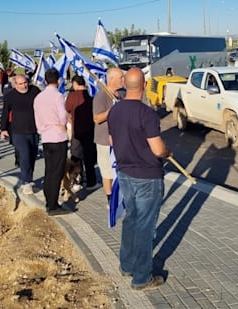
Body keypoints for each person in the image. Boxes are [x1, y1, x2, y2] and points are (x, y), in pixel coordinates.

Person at [108, 67, 171, 290]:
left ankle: (126, 265)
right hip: (147, 176)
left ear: (126, 84)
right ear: (144, 86)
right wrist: (167, 152)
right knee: (145, 226)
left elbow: (113, 141)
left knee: (132, 218)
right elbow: (157, 148)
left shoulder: (114, 111)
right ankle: (142, 277)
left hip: (125, 172)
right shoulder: (147, 114)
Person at [33, 68, 71, 216]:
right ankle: (53, 205)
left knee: (49, 170)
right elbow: (62, 115)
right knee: (57, 171)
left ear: (45, 80)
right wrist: (62, 124)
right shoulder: (58, 96)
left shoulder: (39, 97)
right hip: (58, 136)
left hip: (46, 137)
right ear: (59, 81)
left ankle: (49, 200)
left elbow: (37, 116)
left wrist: (41, 129)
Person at [0, 74, 41, 194]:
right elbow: (5, 113)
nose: (24, 85)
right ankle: (26, 182)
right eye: (21, 84)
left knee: (33, 156)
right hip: (18, 131)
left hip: (34, 130)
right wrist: (3, 128)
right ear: (15, 85)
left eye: (25, 82)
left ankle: (30, 180)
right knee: (25, 155)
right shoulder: (10, 96)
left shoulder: (34, 91)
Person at [92, 67, 124, 205]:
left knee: (120, 169)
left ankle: (121, 193)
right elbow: (97, 118)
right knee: (107, 170)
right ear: (111, 80)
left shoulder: (122, 95)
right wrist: (112, 110)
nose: (123, 80)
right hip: (105, 140)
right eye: (120, 78)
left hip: (120, 139)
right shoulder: (101, 96)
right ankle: (110, 197)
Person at [65, 75, 98, 190]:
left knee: (76, 157)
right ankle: (91, 182)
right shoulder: (91, 97)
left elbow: (67, 110)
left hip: (76, 131)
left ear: (75, 83)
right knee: (89, 158)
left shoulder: (71, 96)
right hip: (90, 130)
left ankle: (76, 181)